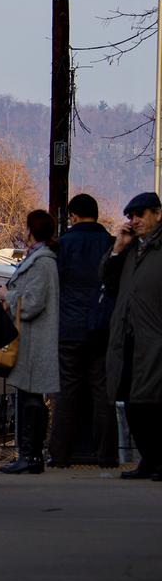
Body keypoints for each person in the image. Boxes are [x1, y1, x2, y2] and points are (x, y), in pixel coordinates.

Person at [50, 194, 117, 468]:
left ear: (73, 215)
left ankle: (60, 455)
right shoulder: (110, 244)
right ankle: (107, 455)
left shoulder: (63, 245)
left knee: (66, 393)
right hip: (101, 327)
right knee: (102, 392)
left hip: (69, 329)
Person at [102, 191, 162, 480]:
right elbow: (107, 279)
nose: (135, 221)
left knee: (152, 402)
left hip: (154, 337)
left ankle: (157, 460)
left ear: (157, 214)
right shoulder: (131, 249)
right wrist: (117, 248)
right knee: (132, 401)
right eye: (131, 216)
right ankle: (150, 460)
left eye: (141, 215)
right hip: (128, 335)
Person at [0, 211, 61, 474]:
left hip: (35, 339)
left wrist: (7, 296)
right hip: (31, 338)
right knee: (27, 395)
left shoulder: (42, 262)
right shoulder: (41, 260)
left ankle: (30, 454)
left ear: (31, 231)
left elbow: (33, 302)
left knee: (30, 396)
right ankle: (29, 454)